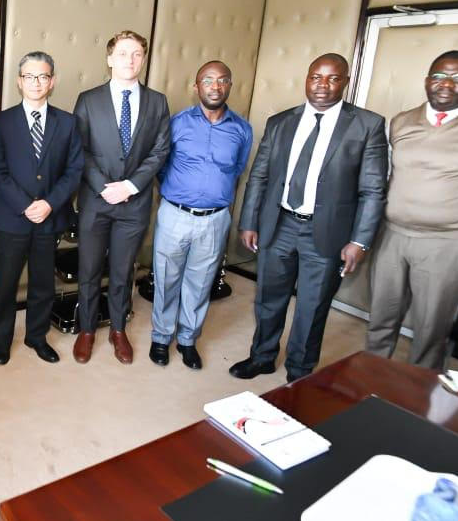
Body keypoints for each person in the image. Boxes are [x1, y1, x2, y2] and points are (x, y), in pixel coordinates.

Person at [232, 53, 387, 382]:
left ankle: (299, 373)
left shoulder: (367, 125)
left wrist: (359, 241)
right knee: (268, 298)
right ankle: (261, 357)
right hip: (280, 225)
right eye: (316, 76)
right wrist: (249, 221)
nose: (323, 85)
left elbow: (373, 191)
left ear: (345, 82)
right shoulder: (280, 122)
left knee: (312, 307)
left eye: (333, 78)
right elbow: (259, 177)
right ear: (306, 78)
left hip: (328, 232)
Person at [367, 50, 458, 369]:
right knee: (381, 318)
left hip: (449, 243)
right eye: (440, 76)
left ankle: (416, 396)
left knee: (431, 328)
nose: (447, 84)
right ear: (428, 81)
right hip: (394, 236)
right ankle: (370, 378)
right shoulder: (402, 121)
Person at [72, 30, 171, 365]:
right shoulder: (88, 99)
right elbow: (80, 149)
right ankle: (86, 330)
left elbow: (160, 151)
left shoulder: (157, 101)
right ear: (109, 58)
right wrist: (104, 186)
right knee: (88, 270)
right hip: (95, 202)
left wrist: (129, 186)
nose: (130, 60)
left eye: (137, 54)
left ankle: (117, 329)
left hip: (135, 202)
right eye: (124, 53)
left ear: (143, 59)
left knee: (122, 271)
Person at [149, 61, 252, 369]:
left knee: (201, 280)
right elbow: (161, 165)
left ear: (229, 86)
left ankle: (188, 340)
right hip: (175, 214)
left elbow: (237, 169)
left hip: (215, 218)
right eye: (207, 80)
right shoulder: (177, 123)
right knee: (166, 278)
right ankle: (160, 337)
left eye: (222, 80)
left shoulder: (242, 129)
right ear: (196, 87)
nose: (215, 86)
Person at [0, 51, 83, 365]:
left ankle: (36, 337)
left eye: (43, 76)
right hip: (11, 219)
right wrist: (26, 205)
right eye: (29, 76)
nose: (36, 82)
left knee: (43, 284)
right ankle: (2, 341)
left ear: (52, 81)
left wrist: (49, 204)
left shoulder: (67, 123)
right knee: (5, 286)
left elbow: (74, 171)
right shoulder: (0, 122)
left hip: (49, 219)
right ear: (19, 81)